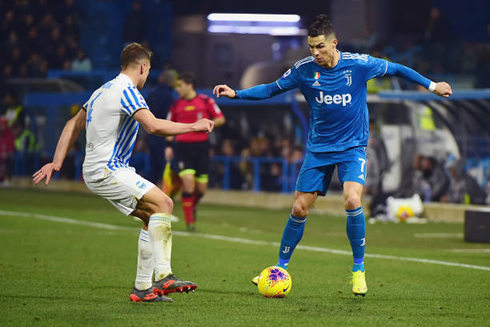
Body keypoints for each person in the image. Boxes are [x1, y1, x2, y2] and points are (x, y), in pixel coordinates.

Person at [213, 14, 452, 297]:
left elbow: (397, 69)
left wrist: (432, 85)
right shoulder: (303, 70)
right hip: (319, 149)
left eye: (321, 47)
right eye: (312, 47)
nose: (316, 52)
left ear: (334, 43)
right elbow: (270, 89)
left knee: (352, 199)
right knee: (300, 208)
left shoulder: (358, 64)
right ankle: (280, 268)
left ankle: (358, 270)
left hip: (352, 146)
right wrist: (236, 93)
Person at [33, 43, 214, 303]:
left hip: (96, 171)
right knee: (164, 203)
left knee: (152, 216)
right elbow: (153, 126)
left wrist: (56, 161)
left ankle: (142, 289)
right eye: (148, 70)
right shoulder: (127, 91)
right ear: (142, 67)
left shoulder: (101, 90)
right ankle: (164, 275)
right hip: (109, 168)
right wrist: (194, 125)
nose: (147, 75)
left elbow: (73, 123)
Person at [166, 72, 226, 231]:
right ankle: (190, 222)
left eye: (180, 85)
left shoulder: (206, 101)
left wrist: (207, 124)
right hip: (183, 148)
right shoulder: (175, 105)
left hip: (202, 148)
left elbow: (220, 118)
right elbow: (168, 125)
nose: (177, 89)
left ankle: (191, 204)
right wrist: (168, 145)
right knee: (188, 182)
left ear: (189, 85)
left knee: (201, 189)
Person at [145, 69, 177, 186]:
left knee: (153, 166)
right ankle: (164, 194)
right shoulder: (169, 97)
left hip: (151, 134)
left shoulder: (152, 94)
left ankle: (148, 193)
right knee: (165, 166)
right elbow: (170, 118)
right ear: (172, 82)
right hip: (164, 134)